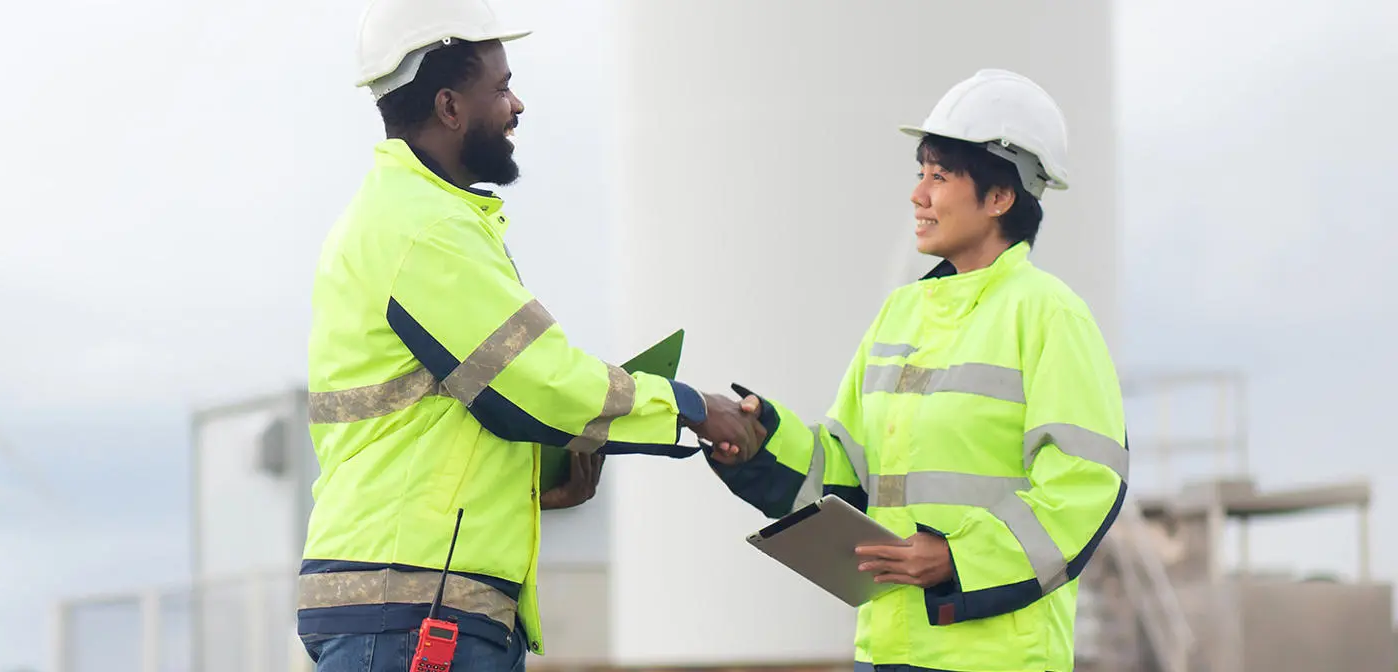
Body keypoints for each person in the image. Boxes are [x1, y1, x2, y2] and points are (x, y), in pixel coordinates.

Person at [296, 0, 767, 669]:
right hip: (411, 614)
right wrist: (690, 406)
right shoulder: (424, 229)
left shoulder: (407, 220)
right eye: (501, 87)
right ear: (450, 107)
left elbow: (444, 425)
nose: (518, 105)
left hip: (410, 607)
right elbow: (533, 383)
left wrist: (535, 485)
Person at [706, 69, 1128, 672]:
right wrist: (758, 444)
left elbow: (1084, 487)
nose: (917, 195)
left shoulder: (1049, 314)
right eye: (919, 173)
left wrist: (958, 558)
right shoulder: (900, 314)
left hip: (998, 659)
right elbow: (846, 475)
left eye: (939, 176)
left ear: (1001, 197)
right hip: (886, 650)